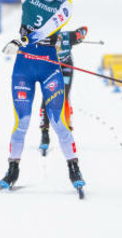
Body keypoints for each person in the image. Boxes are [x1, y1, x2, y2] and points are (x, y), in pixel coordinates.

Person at [0, 0, 85, 191]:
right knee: (21, 121)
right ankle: (12, 172)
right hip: (24, 66)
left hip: (48, 65)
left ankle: (74, 170)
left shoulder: (65, 4)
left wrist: (21, 40)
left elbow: (47, 29)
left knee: (58, 122)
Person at [38, 26, 88, 154]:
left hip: (66, 67)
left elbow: (84, 30)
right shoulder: (43, 39)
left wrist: (80, 35)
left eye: (58, 45)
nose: (57, 48)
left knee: (64, 95)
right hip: (51, 68)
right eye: (54, 47)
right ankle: (45, 133)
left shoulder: (67, 37)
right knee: (47, 97)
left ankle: (67, 129)